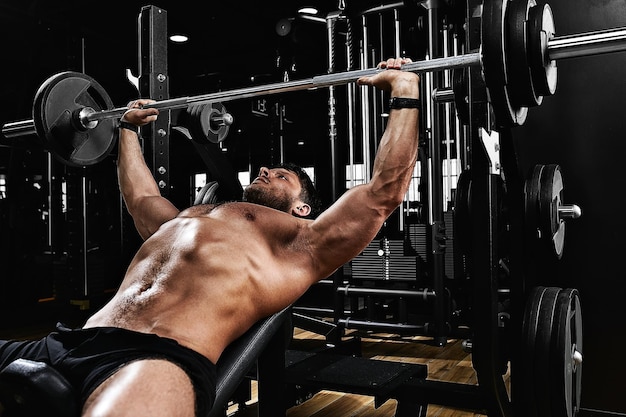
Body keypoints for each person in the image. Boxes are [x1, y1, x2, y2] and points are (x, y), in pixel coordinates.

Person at [0, 57, 420, 417]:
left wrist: (404, 90)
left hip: (151, 359)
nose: (265, 171)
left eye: (281, 175)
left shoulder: (303, 242)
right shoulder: (191, 217)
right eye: (266, 169)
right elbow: (142, 195)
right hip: (71, 339)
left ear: (302, 208)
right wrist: (126, 130)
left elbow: (383, 191)